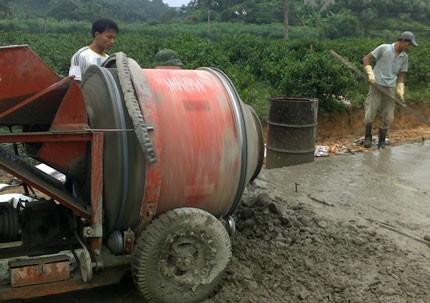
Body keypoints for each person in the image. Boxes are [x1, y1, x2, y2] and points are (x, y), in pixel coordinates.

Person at [362, 31, 418, 149]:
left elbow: (401, 75)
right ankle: (368, 138)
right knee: (370, 112)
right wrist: (370, 73)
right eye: (409, 44)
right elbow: (366, 59)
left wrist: (400, 89)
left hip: (390, 88)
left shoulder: (404, 57)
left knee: (388, 116)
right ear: (402, 41)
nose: (409, 47)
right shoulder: (384, 48)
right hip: (377, 85)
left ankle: (381, 140)